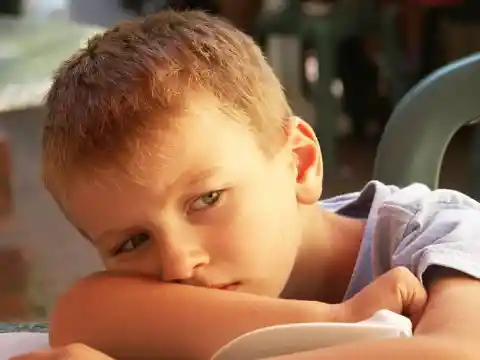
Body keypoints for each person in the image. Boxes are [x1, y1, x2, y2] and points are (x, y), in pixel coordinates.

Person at [15, 9, 480, 360]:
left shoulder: (440, 233)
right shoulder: (170, 284)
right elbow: (80, 314)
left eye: (206, 199)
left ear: (299, 164)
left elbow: (455, 352)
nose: (179, 264)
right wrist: (335, 321)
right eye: (132, 241)